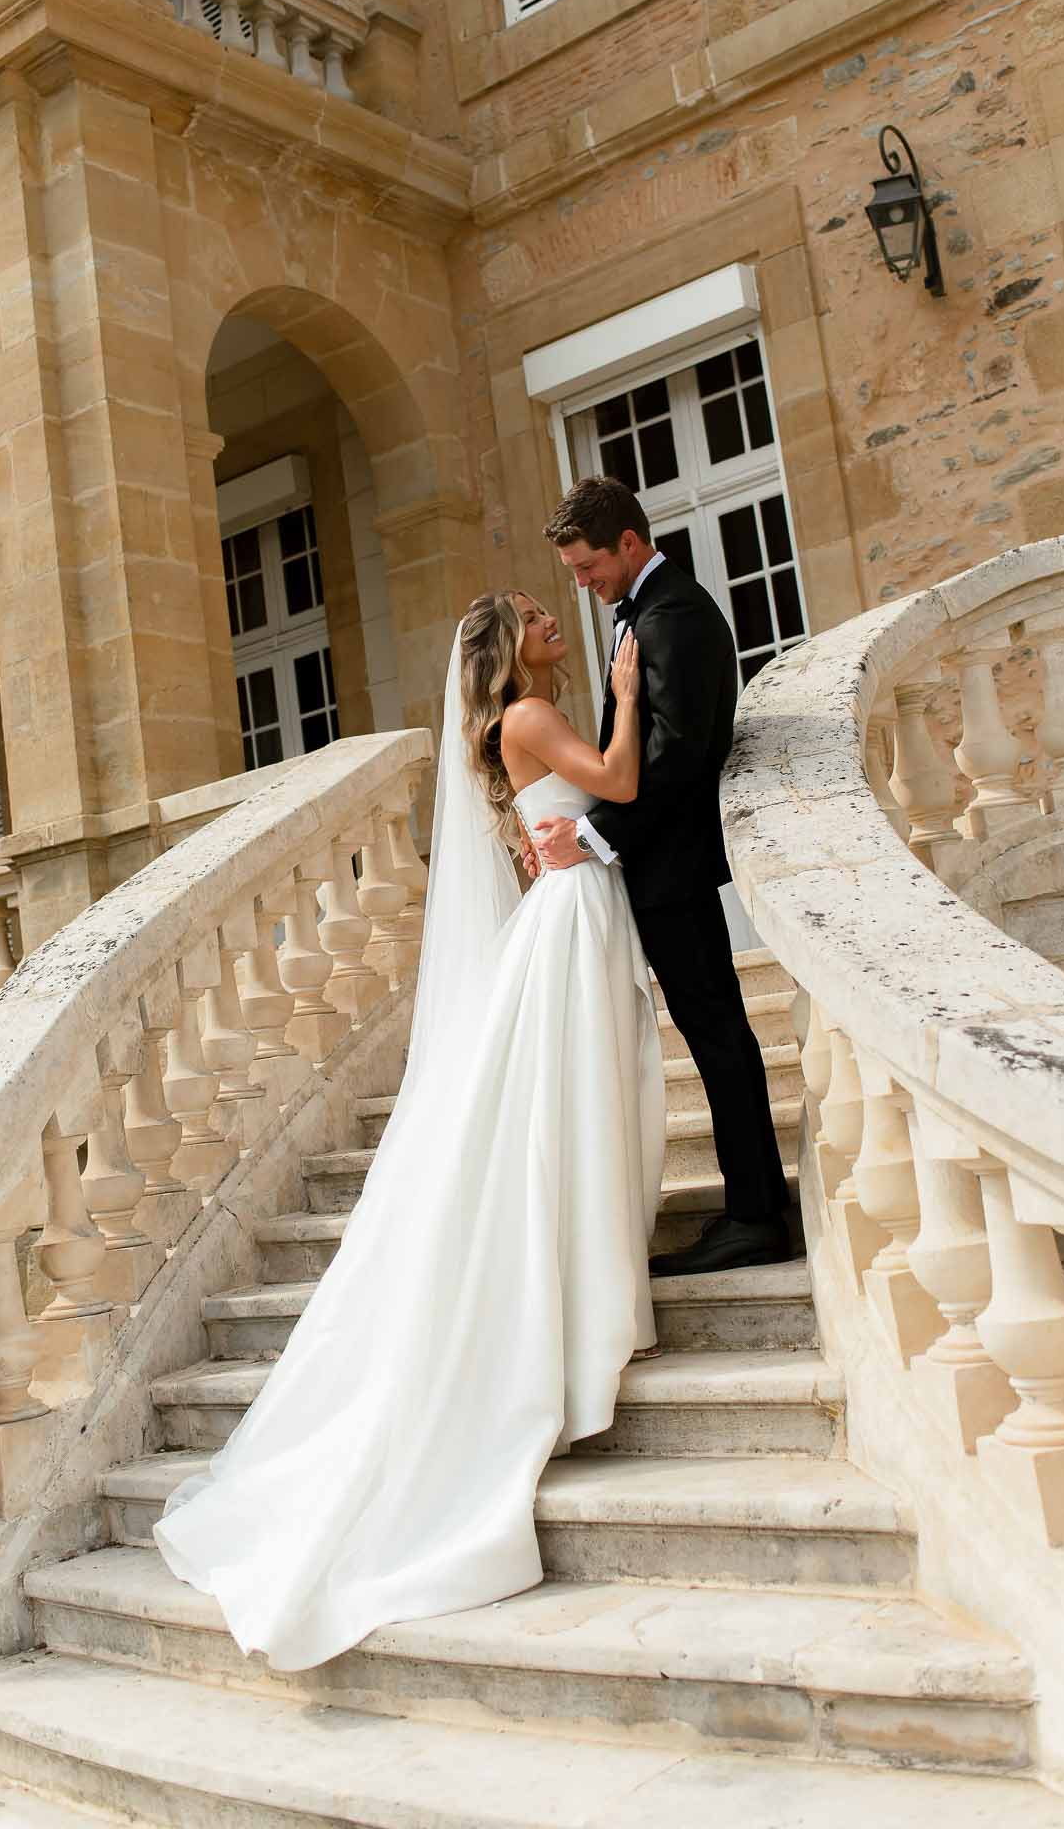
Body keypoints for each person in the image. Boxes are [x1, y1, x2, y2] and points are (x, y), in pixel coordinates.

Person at [154, 590, 666, 1672]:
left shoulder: (501, 732)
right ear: (500, 648)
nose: (549, 623)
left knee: (574, 1116)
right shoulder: (525, 719)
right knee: (568, 1117)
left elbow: (556, 829)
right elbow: (617, 780)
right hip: (570, 924)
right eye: (533, 617)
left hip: (568, 910)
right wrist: (627, 699)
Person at [535, 475, 790, 1276]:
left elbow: (676, 755)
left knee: (718, 1035)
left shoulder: (672, 613)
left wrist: (595, 837)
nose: (582, 583)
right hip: (655, 868)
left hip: (669, 868)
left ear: (629, 544)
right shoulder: (645, 611)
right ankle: (750, 1209)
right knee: (712, 1034)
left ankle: (755, 1215)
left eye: (587, 567)